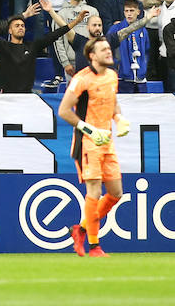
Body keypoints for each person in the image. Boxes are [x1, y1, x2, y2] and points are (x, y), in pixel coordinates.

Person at [58, 35, 130, 258]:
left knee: (116, 193)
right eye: (104, 50)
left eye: (109, 48)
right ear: (92, 55)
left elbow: (113, 102)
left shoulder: (112, 76)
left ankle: (80, 228)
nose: (109, 52)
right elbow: (63, 111)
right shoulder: (82, 79)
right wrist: (89, 130)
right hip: (87, 141)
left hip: (107, 140)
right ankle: (94, 246)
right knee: (94, 191)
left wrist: (118, 119)